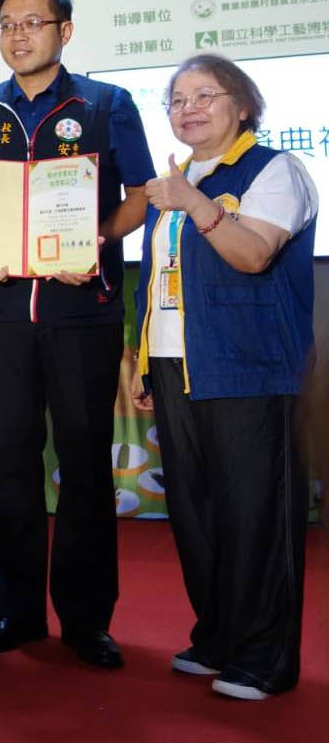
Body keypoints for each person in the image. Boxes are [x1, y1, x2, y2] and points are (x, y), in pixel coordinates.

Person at [0, 0, 154, 667]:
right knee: (11, 459)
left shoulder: (105, 103)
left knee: (85, 461)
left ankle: (87, 620)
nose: (18, 35)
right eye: (7, 23)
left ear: (64, 31)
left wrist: (94, 240)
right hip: (3, 310)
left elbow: (140, 196)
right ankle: (14, 610)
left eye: (32, 22)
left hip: (82, 309)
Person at [130, 54, 316, 700]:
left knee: (255, 514)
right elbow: (158, 278)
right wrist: (144, 358)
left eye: (204, 95)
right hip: (176, 365)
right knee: (197, 514)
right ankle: (217, 637)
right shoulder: (176, 180)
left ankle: (265, 658)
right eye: (176, 99)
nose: (188, 109)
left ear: (242, 104)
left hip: (249, 364)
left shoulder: (274, 169)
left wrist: (193, 203)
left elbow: (254, 253)